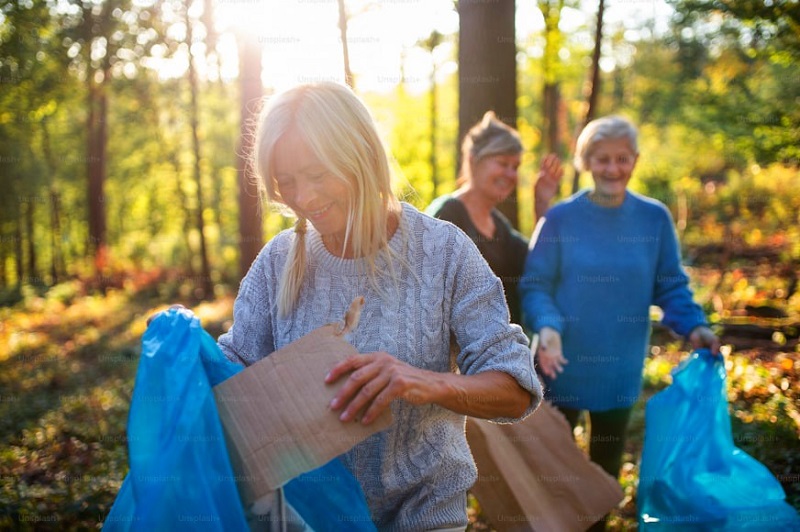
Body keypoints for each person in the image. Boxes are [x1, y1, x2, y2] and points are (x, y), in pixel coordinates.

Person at [216, 82, 542, 530]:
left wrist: (424, 382)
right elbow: (232, 384)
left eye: (317, 173)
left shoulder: (443, 251)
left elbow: (515, 390)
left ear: (361, 155)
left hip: (423, 516)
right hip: (305, 520)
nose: (303, 198)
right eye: (286, 181)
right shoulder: (277, 263)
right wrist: (183, 367)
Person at [518, 115, 720, 481]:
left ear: (635, 161)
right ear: (586, 162)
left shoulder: (653, 219)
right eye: (602, 159)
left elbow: (670, 284)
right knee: (550, 470)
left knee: (605, 468)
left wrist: (695, 327)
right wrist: (547, 328)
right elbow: (536, 285)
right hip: (558, 364)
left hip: (619, 368)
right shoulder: (560, 219)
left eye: (622, 158)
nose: (612, 168)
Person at [426, 111, 563, 327]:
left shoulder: (500, 227)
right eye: (502, 163)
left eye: (515, 167)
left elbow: (540, 267)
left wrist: (541, 205)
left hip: (502, 355)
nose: (510, 174)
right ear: (473, 160)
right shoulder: (446, 215)